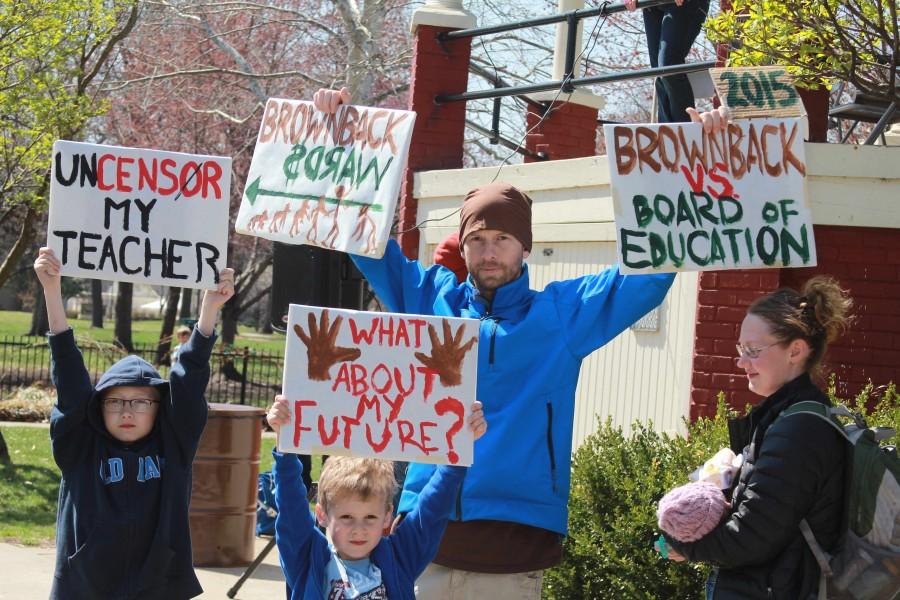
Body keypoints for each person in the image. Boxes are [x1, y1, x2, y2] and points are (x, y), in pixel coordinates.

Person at [309, 87, 676, 598]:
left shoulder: (560, 314)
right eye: (476, 240)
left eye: (502, 239)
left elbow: (651, 272)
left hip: (515, 539)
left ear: (524, 245)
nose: (488, 252)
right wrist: (339, 139)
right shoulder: (428, 296)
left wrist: (697, 154)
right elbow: (363, 238)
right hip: (422, 534)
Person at [34, 246, 234, 600]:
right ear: (98, 407)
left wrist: (208, 310)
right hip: (85, 586)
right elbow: (70, 382)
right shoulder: (80, 448)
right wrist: (52, 290)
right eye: (115, 402)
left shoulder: (174, 446)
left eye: (141, 402)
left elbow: (188, 385)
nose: (128, 411)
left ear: (159, 408)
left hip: (157, 584)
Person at [660, 276, 852, 599]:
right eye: (740, 349)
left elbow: (749, 538)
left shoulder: (799, 431)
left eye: (753, 350)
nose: (741, 362)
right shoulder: (787, 418)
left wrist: (682, 545)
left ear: (796, 350)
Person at [265, 395, 487, 599]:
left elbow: (433, 508)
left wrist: (460, 447)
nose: (359, 528)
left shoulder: (400, 557)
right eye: (346, 517)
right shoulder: (306, 557)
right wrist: (284, 445)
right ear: (322, 514)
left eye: (370, 517)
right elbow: (291, 507)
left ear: (387, 515)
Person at [625, 0, 710, 123]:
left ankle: (684, 131)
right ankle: (667, 133)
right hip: (652, 5)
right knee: (659, 72)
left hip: (684, 4)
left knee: (668, 65)